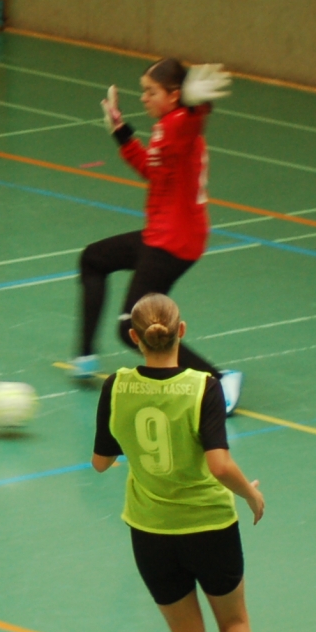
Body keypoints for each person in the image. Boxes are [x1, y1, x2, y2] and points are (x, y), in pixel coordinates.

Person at [89, 293, 278, 632]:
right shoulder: (202, 387)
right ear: (182, 331)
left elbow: (101, 462)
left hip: (150, 533)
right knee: (233, 623)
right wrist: (250, 493)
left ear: (134, 337)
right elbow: (218, 464)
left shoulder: (116, 386)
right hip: (209, 527)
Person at [71, 58, 242, 414]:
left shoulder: (180, 123)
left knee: (132, 328)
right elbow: (152, 169)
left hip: (173, 243)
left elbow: (193, 119)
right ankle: (85, 356)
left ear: (174, 95)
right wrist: (121, 131)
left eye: (151, 92)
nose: (144, 98)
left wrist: (196, 102)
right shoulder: (167, 127)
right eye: (143, 91)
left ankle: (219, 379)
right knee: (93, 259)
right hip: (160, 235)